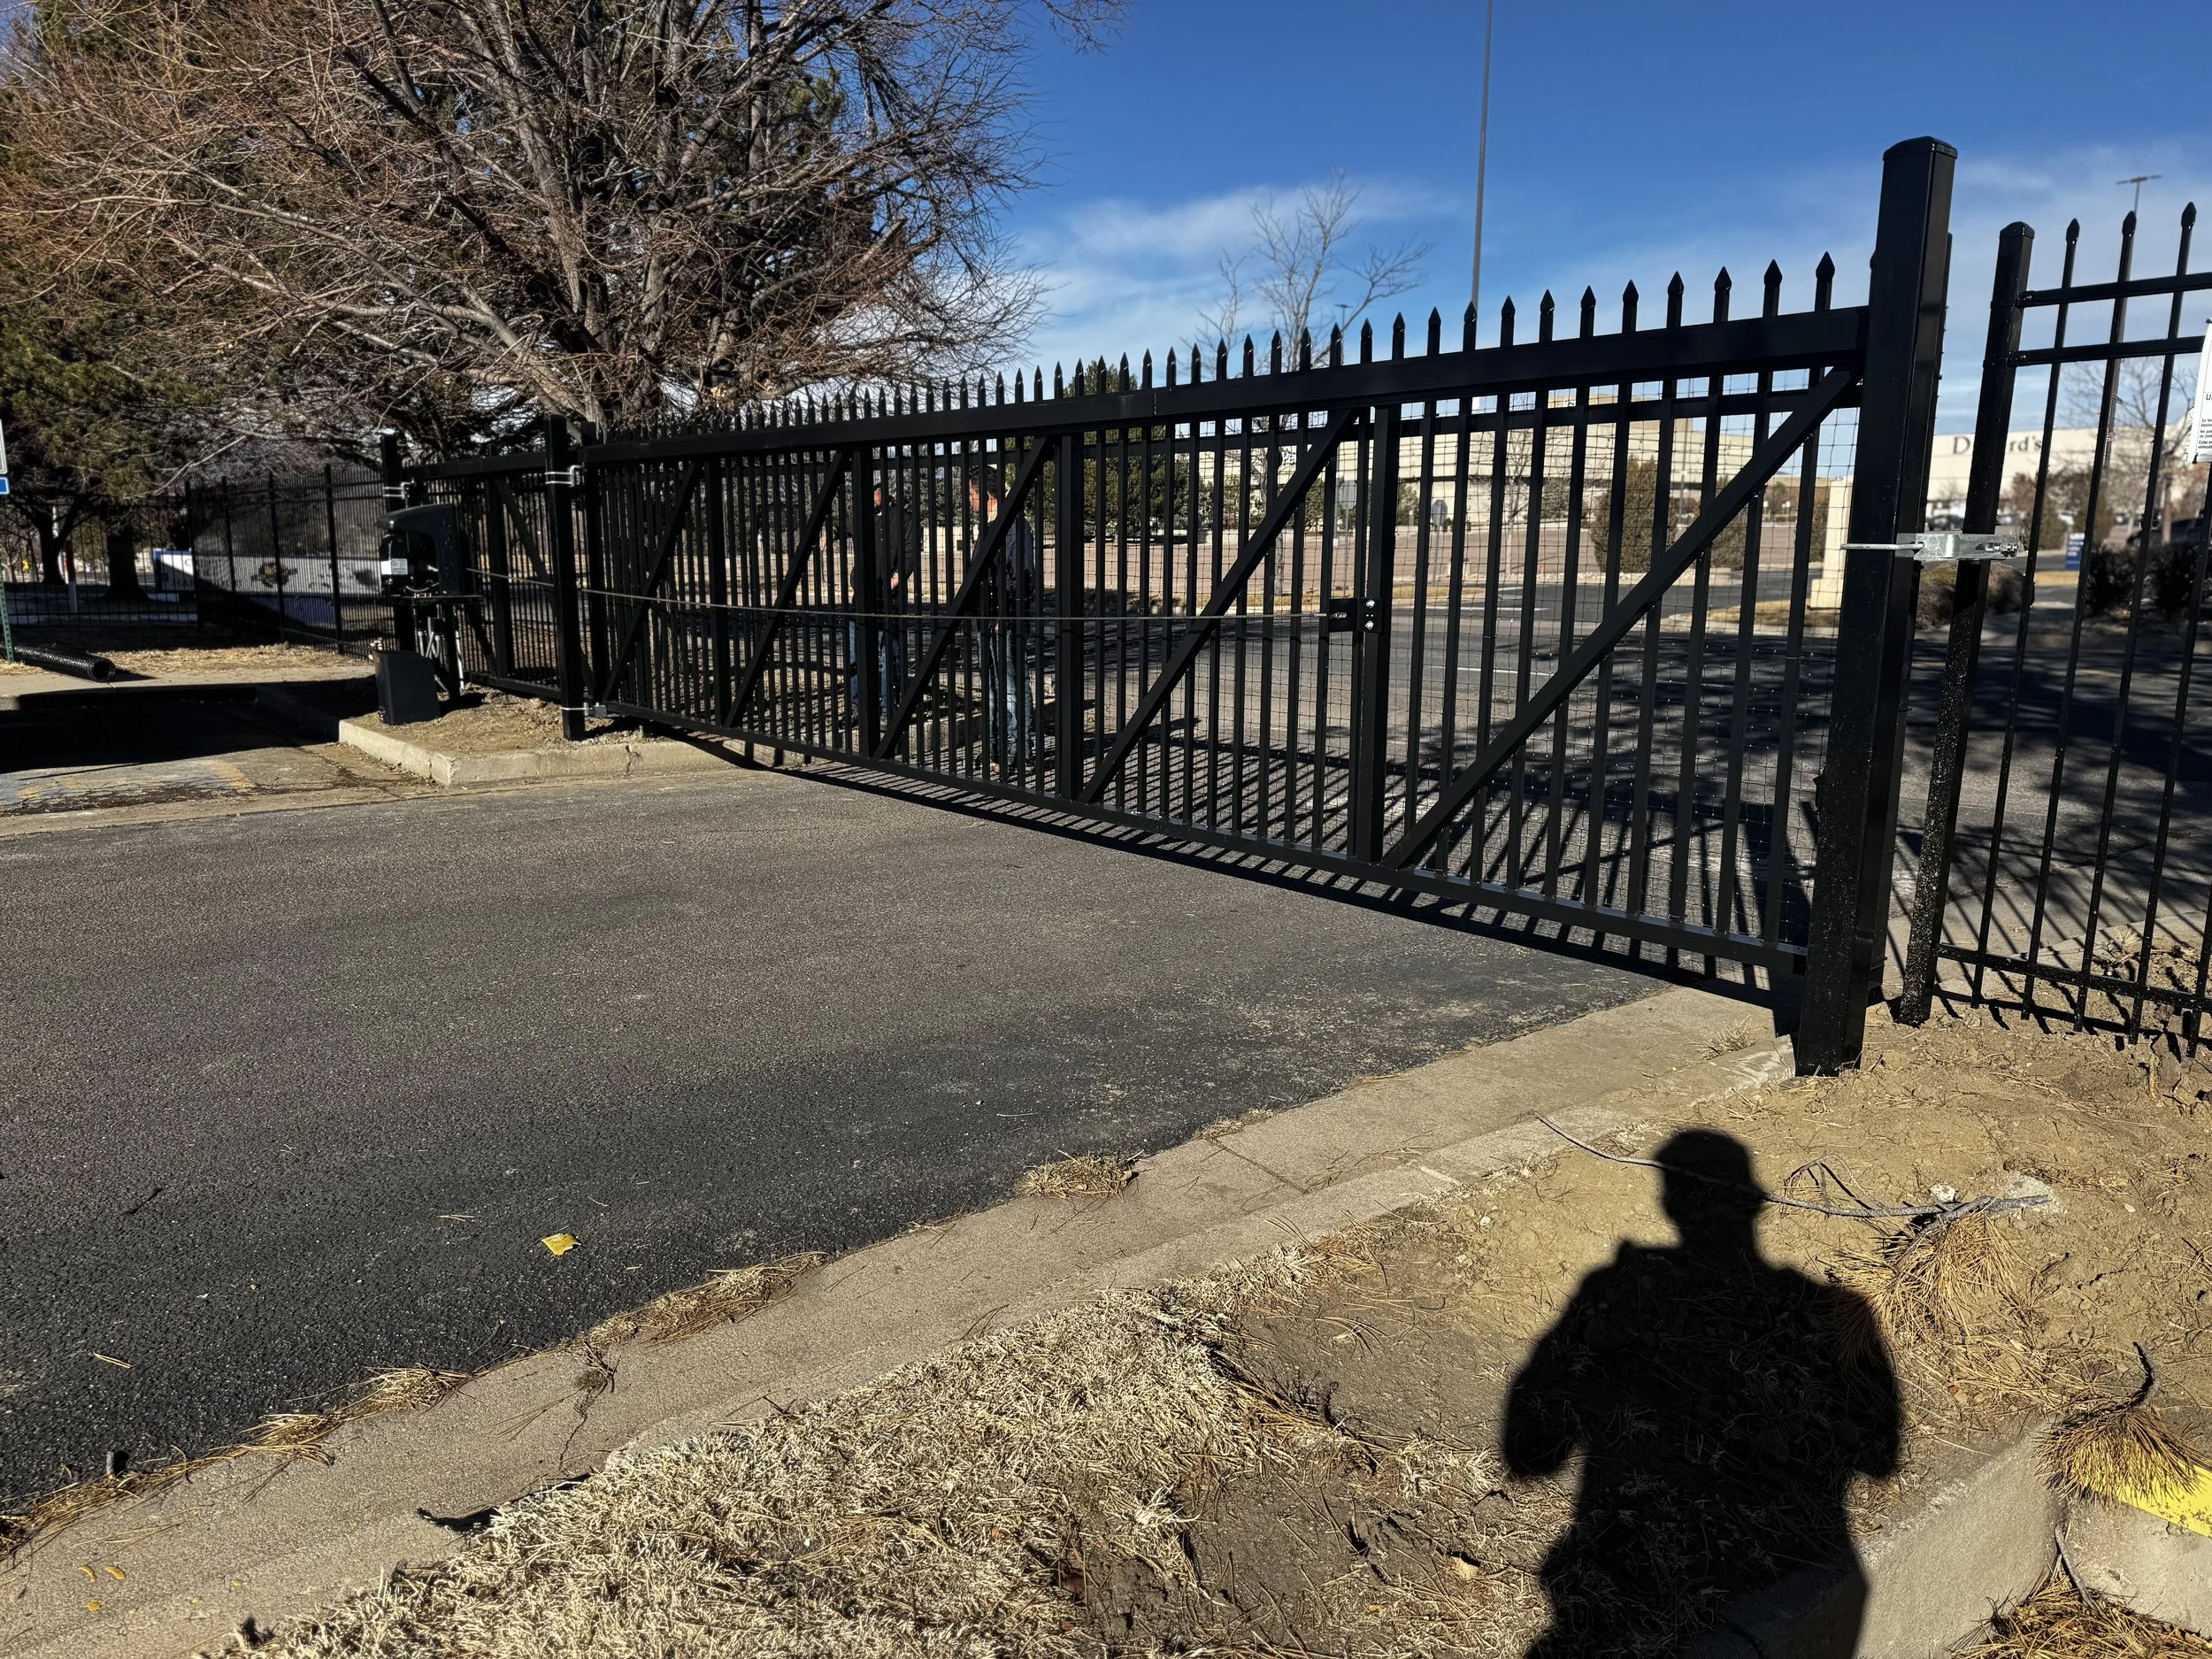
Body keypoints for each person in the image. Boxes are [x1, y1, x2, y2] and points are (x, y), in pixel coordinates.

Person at [1502, 1130, 1900, 1656]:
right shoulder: (1833, 1308)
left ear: (1667, 1201)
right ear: (1756, 1202)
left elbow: (1530, 1454)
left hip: (1648, 1579)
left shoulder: (1618, 1287)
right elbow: (1880, 1456)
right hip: (1794, 1561)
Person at [967, 464, 1039, 765]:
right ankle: (997, 743)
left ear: (985, 495)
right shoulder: (986, 528)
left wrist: (1004, 613)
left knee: (1011, 684)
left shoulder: (1016, 527)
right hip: (984, 619)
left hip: (1004, 620)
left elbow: (1025, 577)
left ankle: (1018, 745)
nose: (969, 501)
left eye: (971, 494)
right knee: (993, 685)